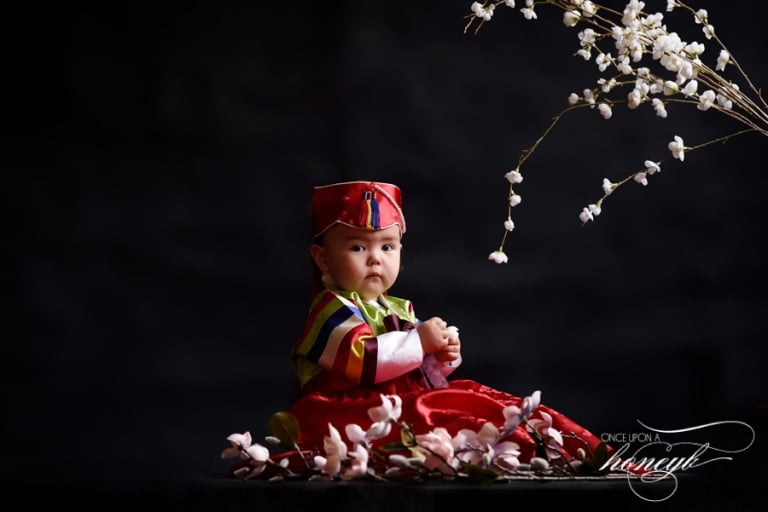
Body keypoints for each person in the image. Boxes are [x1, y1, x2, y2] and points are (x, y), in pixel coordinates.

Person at [283, 180, 609, 466]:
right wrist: (419, 343)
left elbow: (411, 365)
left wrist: (439, 355)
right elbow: (363, 361)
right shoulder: (330, 309)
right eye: (358, 247)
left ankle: (565, 450)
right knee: (447, 413)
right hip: (347, 410)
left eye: (387, 246)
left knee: (480, 401)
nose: (375, 258)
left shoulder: (397, 307)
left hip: (393, 403)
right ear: (323, 258)